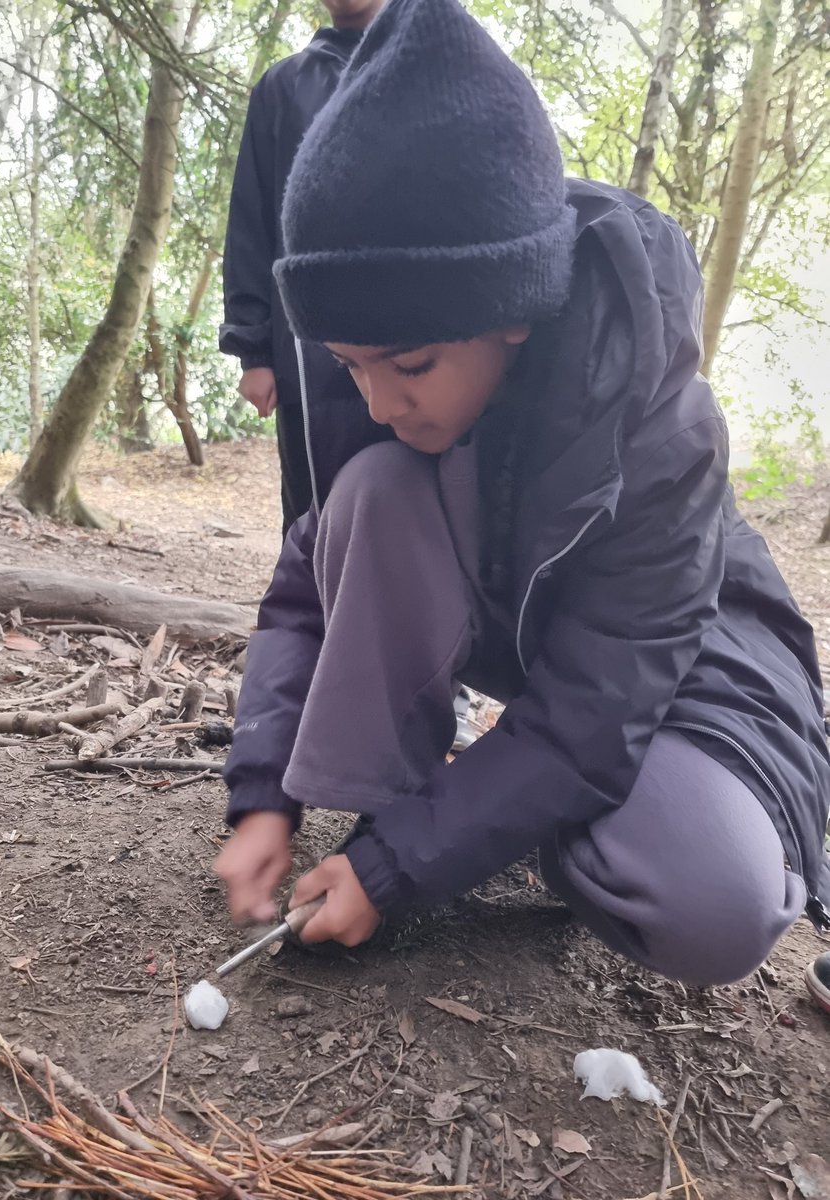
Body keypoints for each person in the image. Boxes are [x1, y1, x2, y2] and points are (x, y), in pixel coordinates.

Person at [214, 0, 830, 986]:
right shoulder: (393, 384)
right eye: (350, 365)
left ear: (510, 314)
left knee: (711, 898)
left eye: (408, 365)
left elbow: (599, 703)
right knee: (372, 489)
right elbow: (302, 591)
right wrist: (261, 798)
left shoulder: (660, 429)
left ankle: (510, 819)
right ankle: (436, 800)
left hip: (694, 677)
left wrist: (404, 864)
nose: (378, 402)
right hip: (540, 651)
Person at [220, 0, 385, 537]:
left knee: (424, 498)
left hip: (420, 341)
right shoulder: (283, 86)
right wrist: (254, 350)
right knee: (318, 508)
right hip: (307, 357)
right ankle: (316, 620)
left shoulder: (435, 70)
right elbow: (252, 221)